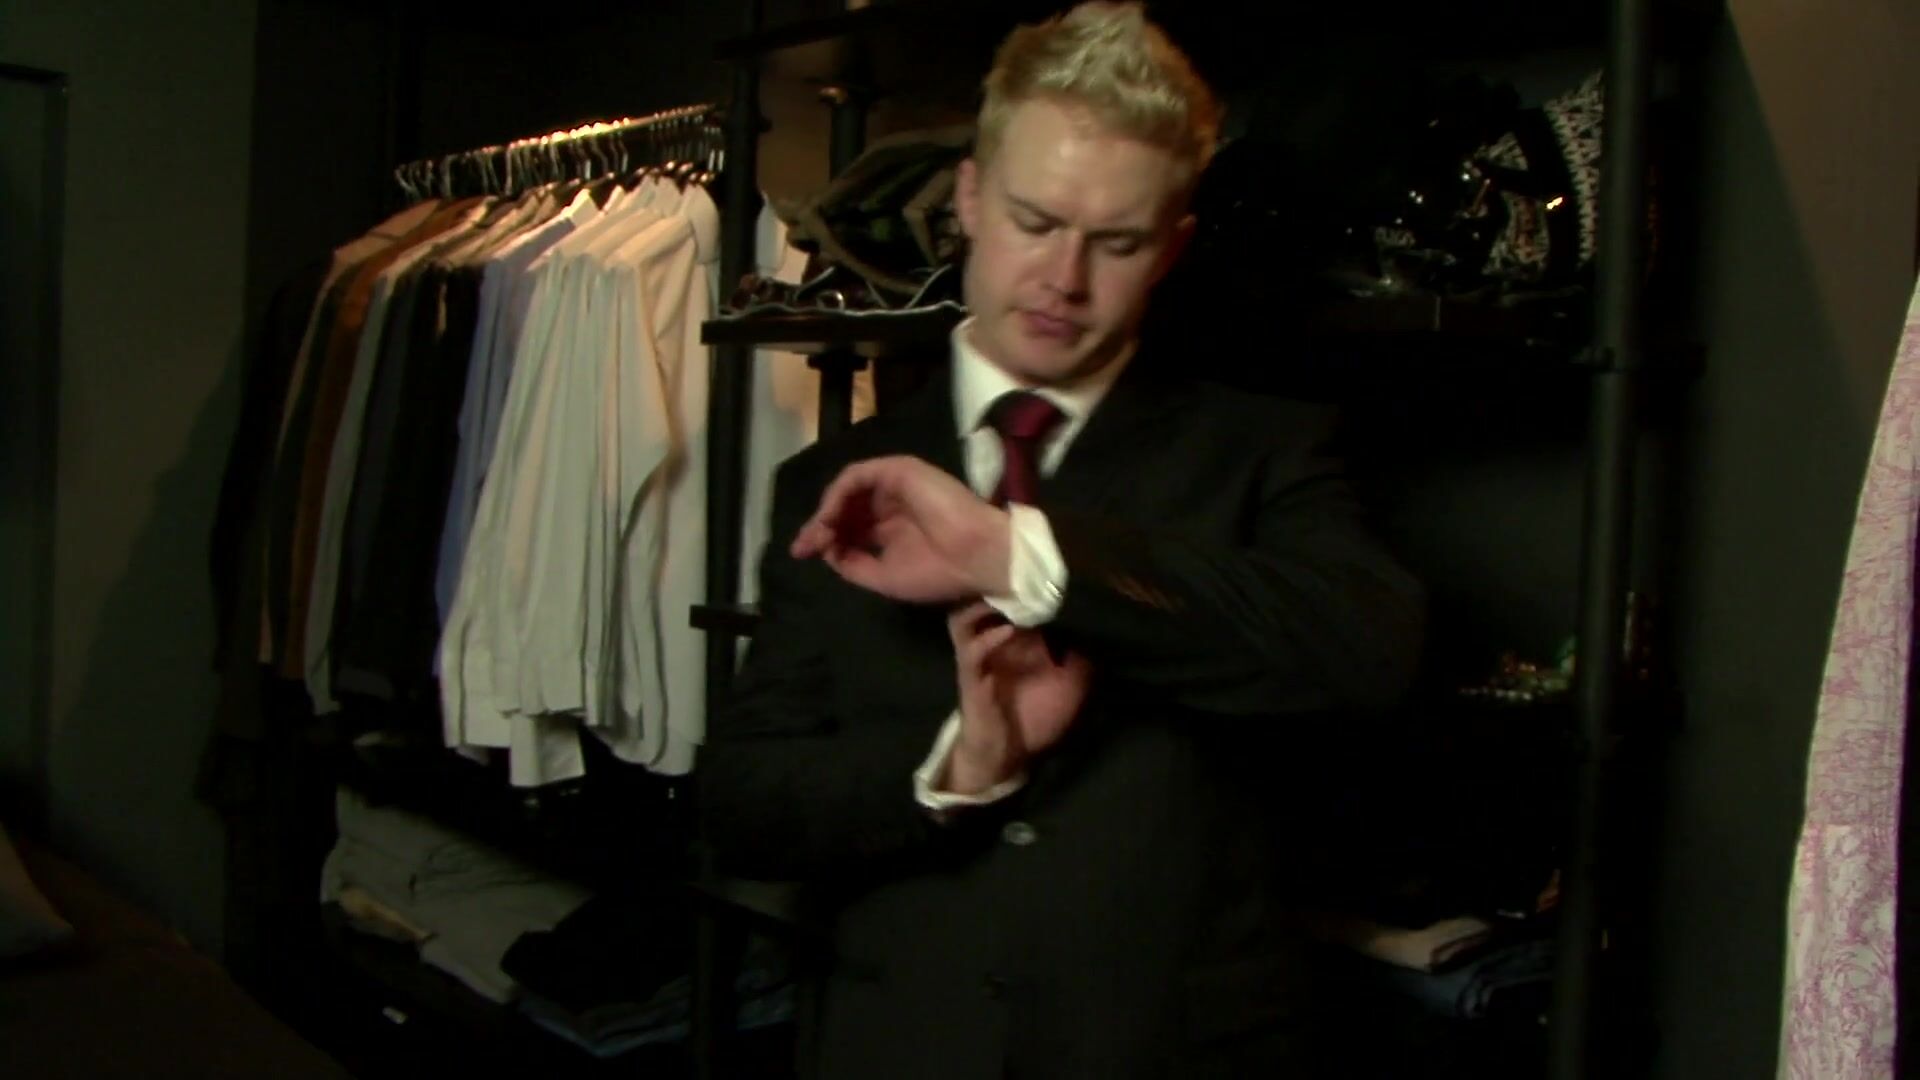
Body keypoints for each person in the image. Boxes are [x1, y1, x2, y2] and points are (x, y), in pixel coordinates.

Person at [698, 3, 1425, 1076]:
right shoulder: (831, 482)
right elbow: (742, 806)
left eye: (1116, 242)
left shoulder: (1264, 450)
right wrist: (955, 768)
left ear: (1172, 247)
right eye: (1035, 222)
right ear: (969, 198)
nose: (1064, 280)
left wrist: (1014, 556)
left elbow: (1370, 653)